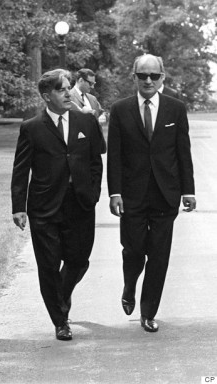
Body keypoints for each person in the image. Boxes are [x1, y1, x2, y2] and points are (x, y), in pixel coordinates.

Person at [11, 69, 103, 341]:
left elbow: (96, 161)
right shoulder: (31, 127)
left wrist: (94, 192)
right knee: (49, 265)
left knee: (79, 260)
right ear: (46, 96)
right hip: (45, 206)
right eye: (61, 89)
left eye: (69, 88)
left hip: (80, 203)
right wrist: (19, 206)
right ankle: (60, 320)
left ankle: (61, 296)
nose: (67, 93)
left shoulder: (85, 121)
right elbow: (20, 169)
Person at [107, 54, 195, 333]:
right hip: (131, 195)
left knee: (159, 256)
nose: (148, 81)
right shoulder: (120, 110)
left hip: (165, 195)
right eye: (142, 75)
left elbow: (183, 153)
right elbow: (115, 157)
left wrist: (188, 191)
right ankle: (130, 284)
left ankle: (148, 312)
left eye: (153, 76)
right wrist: (115, 193)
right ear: (133, 77)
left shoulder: (176, 109)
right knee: (133, 250)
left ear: (162, 78)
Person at [69, 68, 107, 153]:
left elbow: (102, 112)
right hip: (77, 149)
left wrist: (103, 116)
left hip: (95, 149)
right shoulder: (68, 97)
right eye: (90, 83)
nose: (92, 87)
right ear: (81, 80)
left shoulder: (92, 98)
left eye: (94, 83)